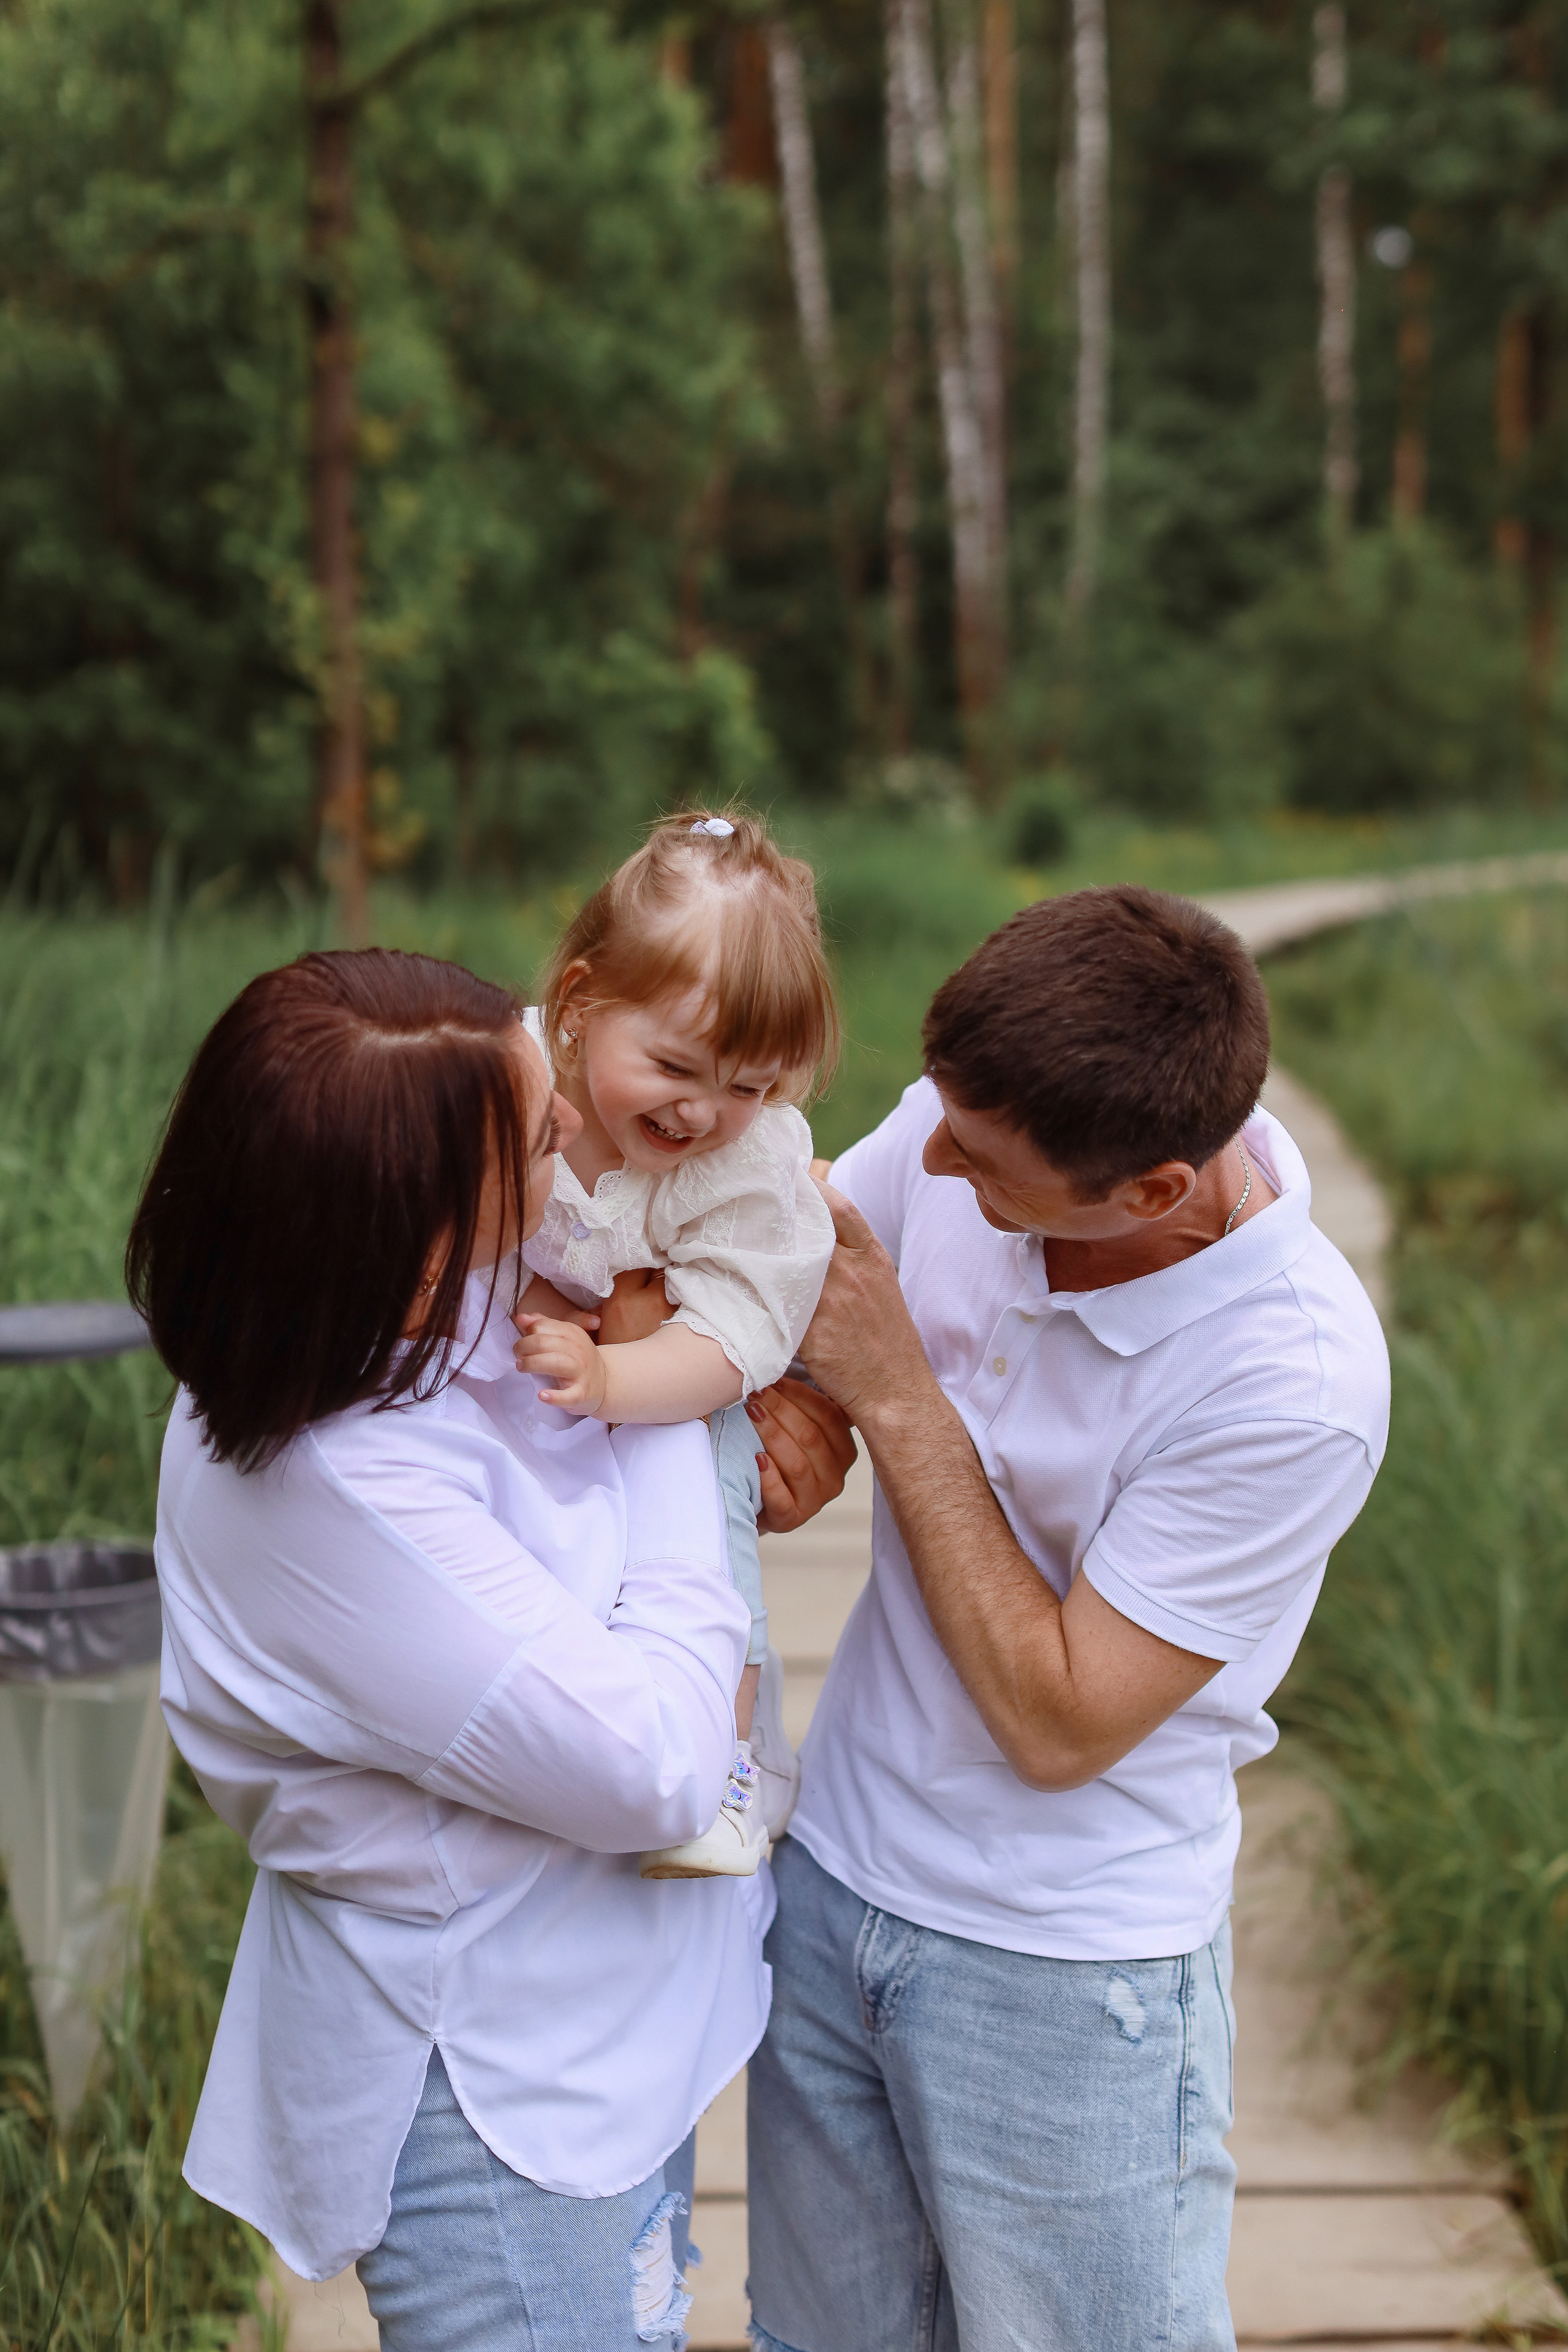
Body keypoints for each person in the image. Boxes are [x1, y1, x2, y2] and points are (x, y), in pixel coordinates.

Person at [124, 947, 839, 2352]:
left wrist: (734, 1397)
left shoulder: (364, 1312)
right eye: (541, 1139)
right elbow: (657, 1767)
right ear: (416, 1249)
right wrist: (663, 1411)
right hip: (506, 2099)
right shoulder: (335, 1497)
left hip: (605, 2031)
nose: (576, 1130)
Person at [742, 884, 1392, 2352]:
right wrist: (798, 1417)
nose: (929, 1158)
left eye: (979, 1164)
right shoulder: (978, 1118)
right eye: (939, 1117)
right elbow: (800, 1288)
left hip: (1064, 1969)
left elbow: (1059, 1720)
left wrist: (894, 1399)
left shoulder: (1291, 1385)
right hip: (830, 1877)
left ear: (1152, 1191)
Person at [512, 811, 838, 1878]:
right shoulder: (513, 1081)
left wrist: (616, 1375)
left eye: (751, 1086)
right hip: (526, 1369)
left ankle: (729, 1763)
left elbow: (733, 1335)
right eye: (676, 1068)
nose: (704, 1112)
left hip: (677, 1380)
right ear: (580, 1006)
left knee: (712, 1538)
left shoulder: (748, 1167)